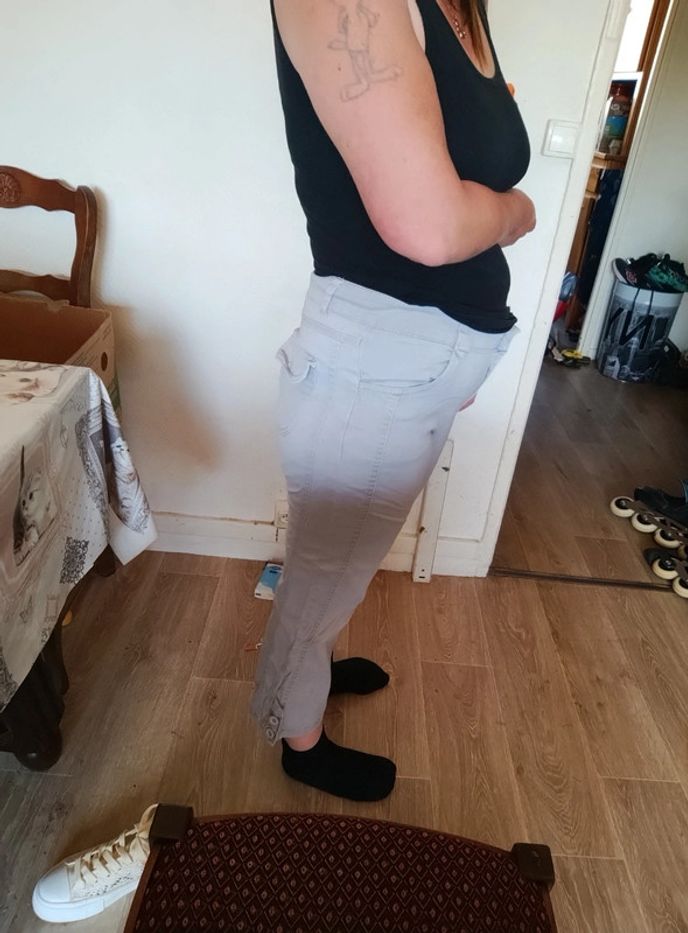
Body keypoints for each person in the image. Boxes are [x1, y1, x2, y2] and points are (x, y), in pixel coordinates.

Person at [250, 0, 536, 802]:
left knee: (341, 559)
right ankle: (298, 738)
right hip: (378, 360)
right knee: (322, 574)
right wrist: (516, 213)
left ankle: (315, 667)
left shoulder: (460, 6)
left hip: (414, 358)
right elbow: (429, 228)